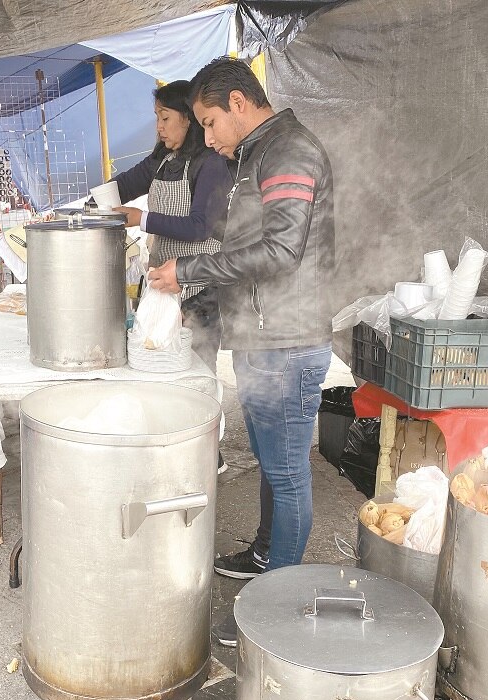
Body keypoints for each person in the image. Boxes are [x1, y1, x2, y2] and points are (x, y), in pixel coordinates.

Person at [147, 58, 335, 646]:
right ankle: (263, 554)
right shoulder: (257, 153)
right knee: (267, 456)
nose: (208, 138)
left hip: (289, 338)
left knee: (286, 469)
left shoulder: (289, 152)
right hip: (259, 334)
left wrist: (193, 269)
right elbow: (249, 242)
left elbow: (281, 251)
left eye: (208, 123)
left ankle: (278, 604)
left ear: (237, 103)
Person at [110, 80, 231, 376]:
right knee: (160, 362)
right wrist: (88, 207)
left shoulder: (211, 163)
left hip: (200, 288)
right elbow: (123, 185)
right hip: (164, 284)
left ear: (187, 118)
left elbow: (200, 227)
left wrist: (143, 219)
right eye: (157, 118)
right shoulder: (163, 160)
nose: (159, 127)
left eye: (165, 118)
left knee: (196, 370)